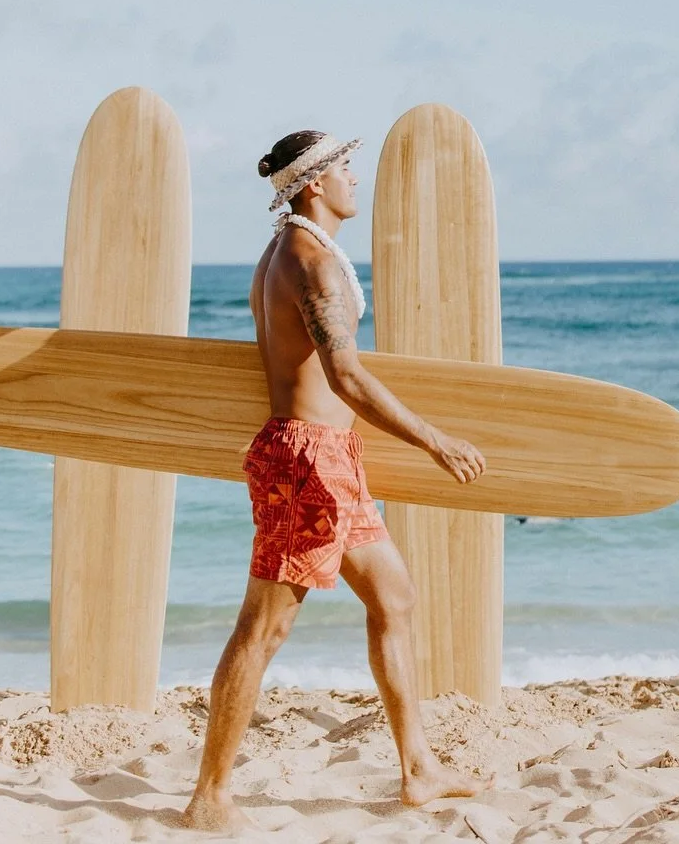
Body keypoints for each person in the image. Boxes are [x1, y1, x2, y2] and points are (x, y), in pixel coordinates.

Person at [183, 130, 490, 832]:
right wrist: (435, 439)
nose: (356, 178)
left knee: (394, 598)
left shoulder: (287, 251)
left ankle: (419, 771)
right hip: (305, 464)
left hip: (328, 459)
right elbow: (345, 375)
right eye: (346, 168)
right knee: (264, 628)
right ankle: (209, 798)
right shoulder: (308, 261)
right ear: (315, 183)